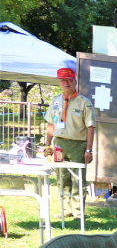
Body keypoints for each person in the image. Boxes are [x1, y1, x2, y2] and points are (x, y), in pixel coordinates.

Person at [44, 66, 94, 219]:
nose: (66, 83)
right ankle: (65, 208)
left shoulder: (84, 103)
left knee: (78, 178)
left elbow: (91, 127)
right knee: (62, 178)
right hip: (59, 144)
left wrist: (89, 150)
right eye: (63, 80)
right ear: (59, 82)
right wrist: (48, 145)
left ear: (75, 81)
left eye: (69, 80)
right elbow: (51, 125)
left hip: (78, 145)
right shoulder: (55, 101)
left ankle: (78, 210)